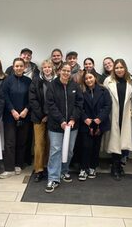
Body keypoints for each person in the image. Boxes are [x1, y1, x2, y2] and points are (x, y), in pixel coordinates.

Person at [45, 63, 83, 193]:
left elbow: (79, 103)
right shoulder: (52, 86)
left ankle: (64, 170)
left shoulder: (75, 86)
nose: (66, 73)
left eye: (68, 71)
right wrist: (61, 120)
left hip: (72, 126)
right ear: (59, 71)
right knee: (56, 150)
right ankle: (53, 178)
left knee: (69, 150)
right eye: (64, 70)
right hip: (56, 125)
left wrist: (73, 119)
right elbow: (50, 105)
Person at [0, 58, 32, 179]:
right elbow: (4, 97)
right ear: (13, 67)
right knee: (10, 142)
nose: (18, 68)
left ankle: (18, 164)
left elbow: (31, 98)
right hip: (10, 116)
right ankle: (9, 168)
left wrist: (26, 110)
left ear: (24, 68)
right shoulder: (7, 81)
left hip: (24, 116)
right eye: (16, 66)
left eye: (21, 66)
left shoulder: (28, 81)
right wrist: (12, 110)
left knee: (22, 141)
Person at [78, 71, 112, 181]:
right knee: (86, 146)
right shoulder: (81, 91)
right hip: (85, 123)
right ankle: (83, 168)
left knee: (96, 146)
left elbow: (107, 106)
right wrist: (85, 118)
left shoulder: (104, 90)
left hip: (99, 124)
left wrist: (99, 119)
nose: (88, 80)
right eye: (86, 78)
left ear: (95, 77)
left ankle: (93, 167)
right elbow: (79, 106)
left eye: (90, 77)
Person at [103, 59, 132, 181]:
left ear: (125, 68)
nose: (119, 70)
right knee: (114, 141)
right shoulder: (108, 81)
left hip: (126, 115)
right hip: (113, 114)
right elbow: (104, 99)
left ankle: (120, 165)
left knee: (123, 141)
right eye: (117, 68)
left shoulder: (130, 81)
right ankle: (115, 167)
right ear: (113, 69)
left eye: (121, 67)